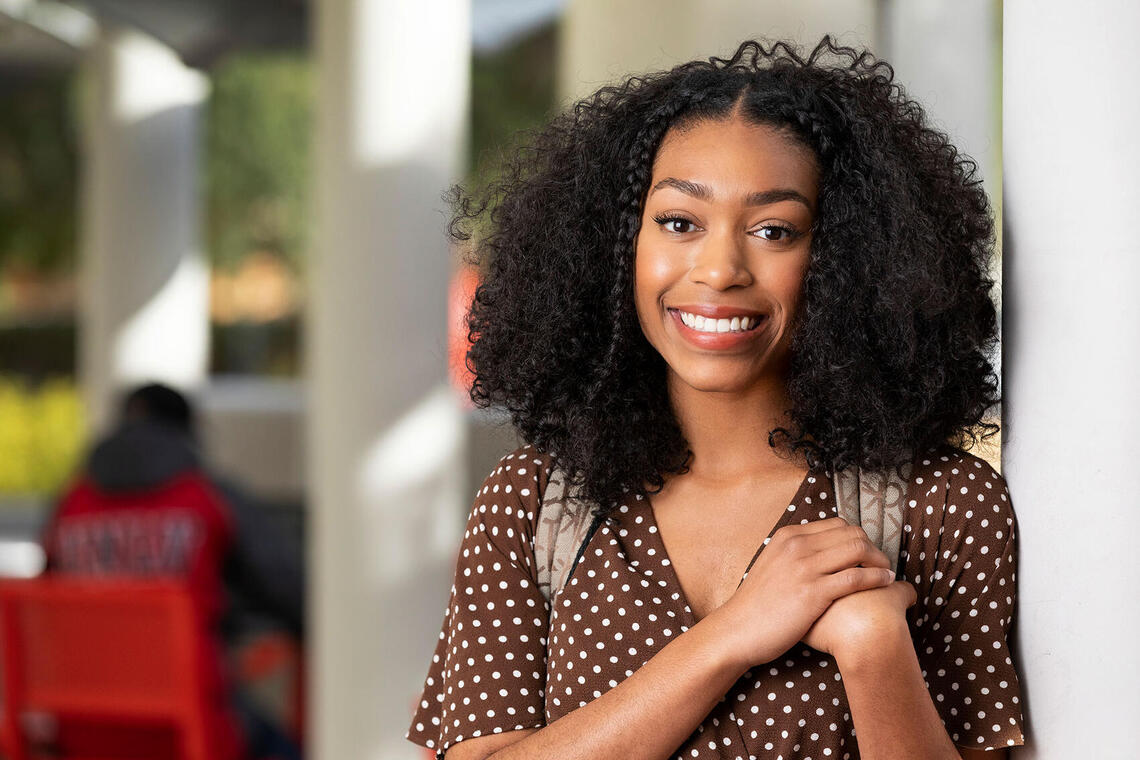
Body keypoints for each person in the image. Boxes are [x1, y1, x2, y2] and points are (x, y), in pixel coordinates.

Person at [406, 37, 1023, 759]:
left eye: (774, 231)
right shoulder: (532, 503)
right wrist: (733, 633)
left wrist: (875, 649)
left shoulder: (941, 508)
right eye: (679, 222)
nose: (721, 268)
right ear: (616, 244)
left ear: (848, 262)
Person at [41, 382, 305, 760]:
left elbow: (48, 610)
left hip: (80, 733)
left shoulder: (71, 504)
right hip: (188, 734)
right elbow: (289, 588)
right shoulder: (207, 497)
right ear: (187, 431)